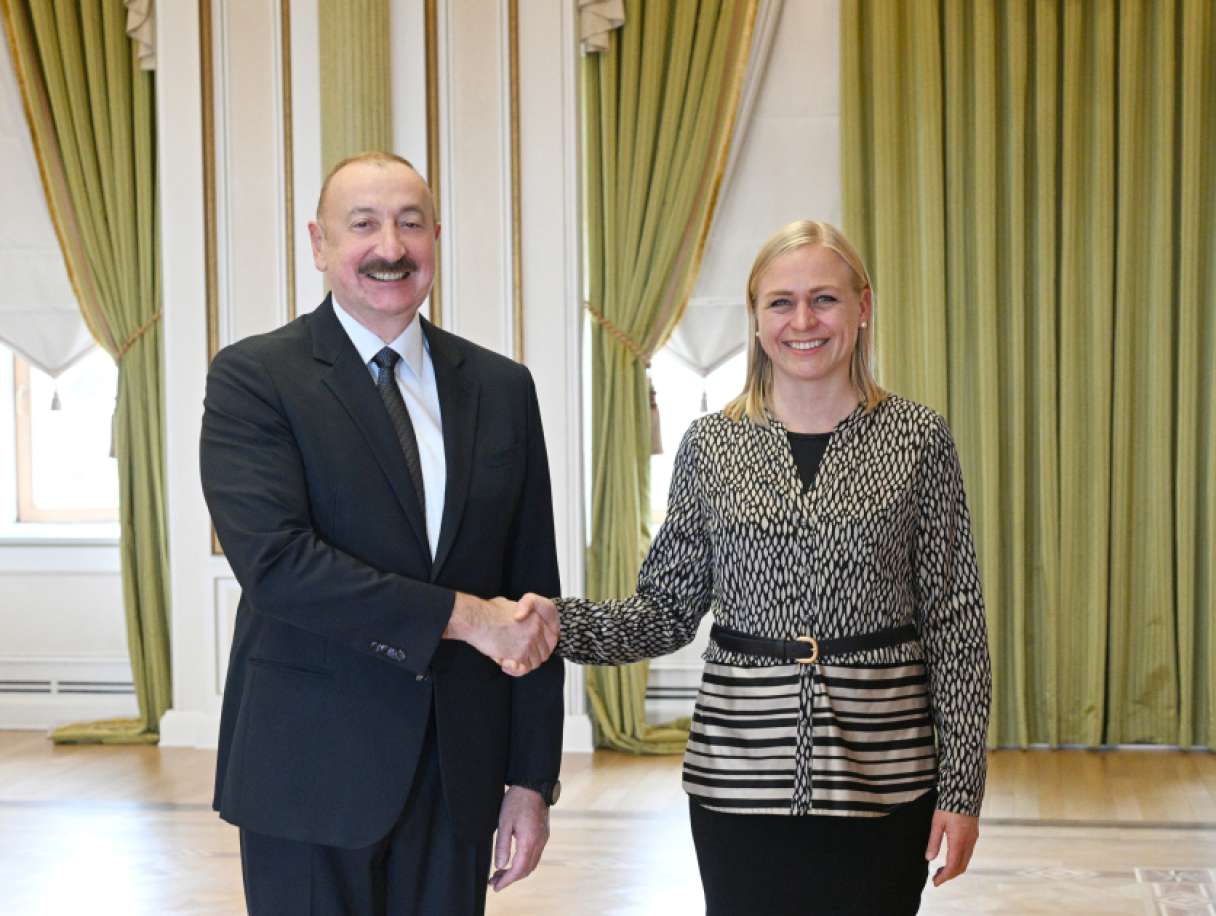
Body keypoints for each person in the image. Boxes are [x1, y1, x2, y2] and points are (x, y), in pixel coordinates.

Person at [526, 220, 991, 915]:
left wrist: (961, 790)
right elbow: (665, 611)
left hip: (885, 773)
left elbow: (955, 622)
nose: (803, 321)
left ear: (863, 307)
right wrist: (553, 625)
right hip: (738, 778)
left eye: (824, 299)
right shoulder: (712, 445)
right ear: (755, 315)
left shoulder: (918, 438)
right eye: (781, 302)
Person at [200, 151, 565, 916]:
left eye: (410, 223)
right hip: (307, 771)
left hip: (458, 776)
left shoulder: (502, 388)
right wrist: (466, 617)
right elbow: (278, 566)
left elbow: (534, 590)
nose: (390, 247)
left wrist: (531, 780)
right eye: (363, 224)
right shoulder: (255, 378)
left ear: (436, 238)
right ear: (320, 243)